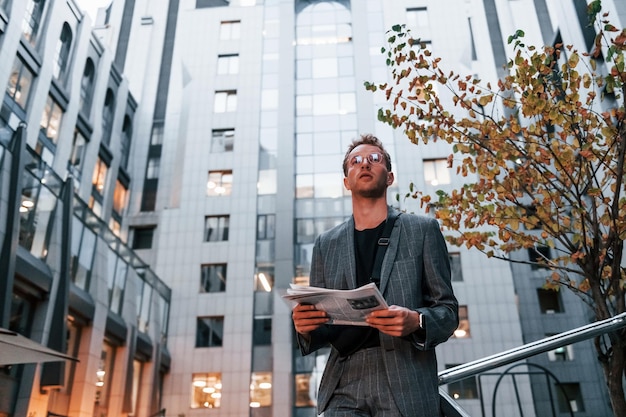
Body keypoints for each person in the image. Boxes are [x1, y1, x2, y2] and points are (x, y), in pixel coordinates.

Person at [292, 134, 459, 417]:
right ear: (347, 181)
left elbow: (448, 311)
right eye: (355, 161)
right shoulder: (325, 244)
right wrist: (305, 326)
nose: (364, 164)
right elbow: (321, 321)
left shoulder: (423, 230)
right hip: (343, 380)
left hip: (405, 376)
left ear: (390, 177)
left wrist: (416, 321)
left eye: (374, 159)